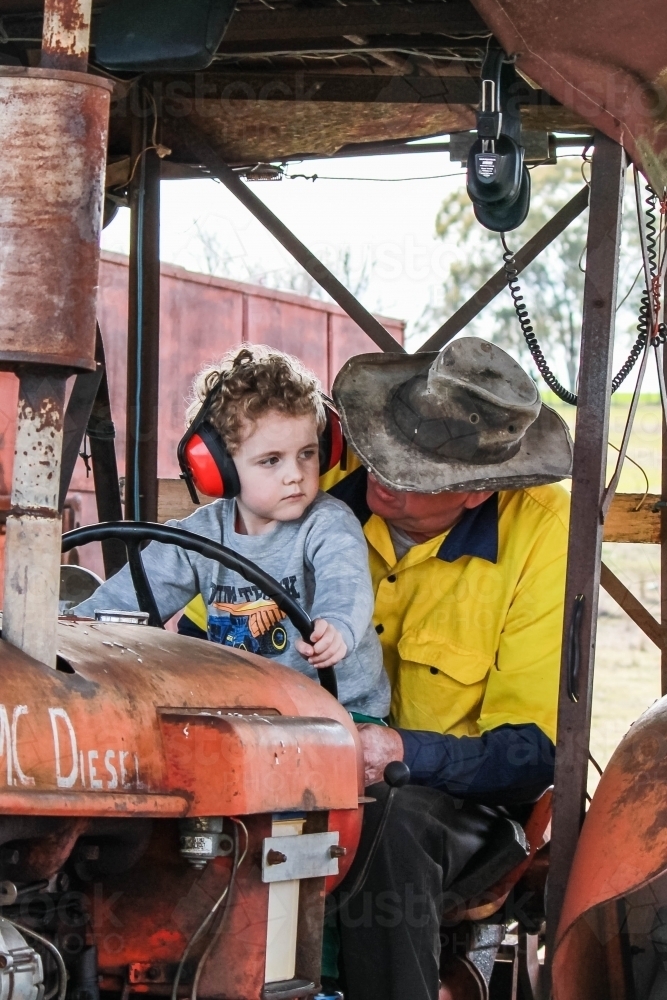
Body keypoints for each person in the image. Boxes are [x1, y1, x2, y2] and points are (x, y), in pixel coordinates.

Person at [314, 336, 572, 1000]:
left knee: (386, 818)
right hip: (303, 772)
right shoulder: (314, 498)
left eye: (410, 474)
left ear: (475, 493)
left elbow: (529, 755)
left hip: (466, 807)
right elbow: (210, 615)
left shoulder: (544, 535)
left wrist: (397, 749)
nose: (381, 475)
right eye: (384, 452)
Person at [73, 346, 390, 719]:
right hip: (252, 709)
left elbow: (346, 585)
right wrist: (73, 628)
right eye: (271, 460)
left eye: (307, 453)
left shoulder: (328, 523)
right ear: (220, 467)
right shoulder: (199, 537)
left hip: (341, 711)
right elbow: (128, 599)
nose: (295, 474)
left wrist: (337, 627)